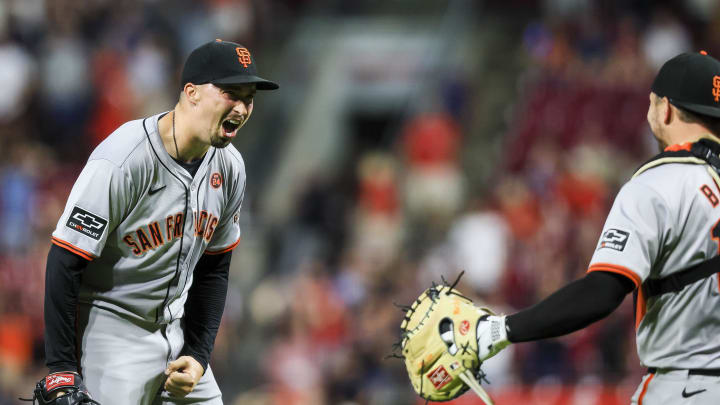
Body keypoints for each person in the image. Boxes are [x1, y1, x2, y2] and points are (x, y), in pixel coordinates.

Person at [39, 39, 278, 404]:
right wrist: (61, 368)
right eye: (231, 93)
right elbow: (65, 259)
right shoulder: (125, 157)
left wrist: (198, 356)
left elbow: (215, 268)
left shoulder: (230, 168)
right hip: (110, 332)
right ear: (191, 92)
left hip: (175, 331)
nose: (242, 108)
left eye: (249, 98)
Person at [474, 51, 720, 404]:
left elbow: (601, 293)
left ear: (664, 109)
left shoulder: (659, 182)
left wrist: (499, 329)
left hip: (685, 388)